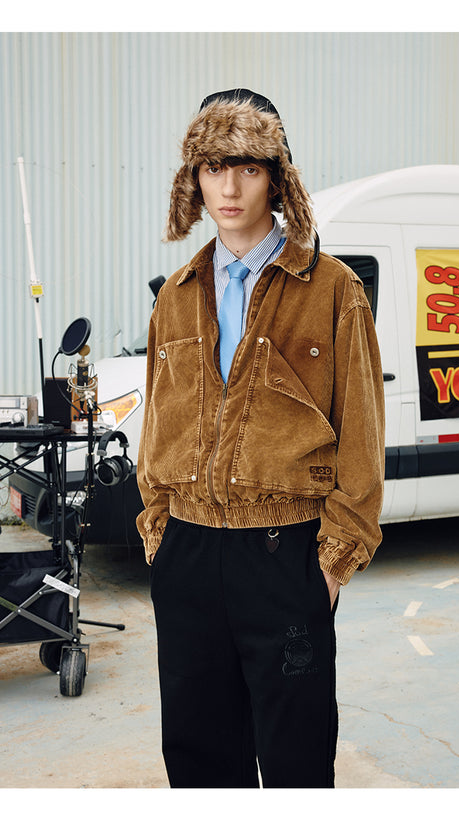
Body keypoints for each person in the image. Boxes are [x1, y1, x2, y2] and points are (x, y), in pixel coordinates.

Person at [136, 89, 385, 788]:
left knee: (296, 759)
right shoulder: (176, 294)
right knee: (198, 758)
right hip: (188, 554)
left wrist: (329, 566)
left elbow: (362, 437)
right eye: (213, 168)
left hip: (284, 554)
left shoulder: (331, 289)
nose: (229, 188)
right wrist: (159, 533)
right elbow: (157, 423)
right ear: (194, 178)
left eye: (247, 167)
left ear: (277, 177)